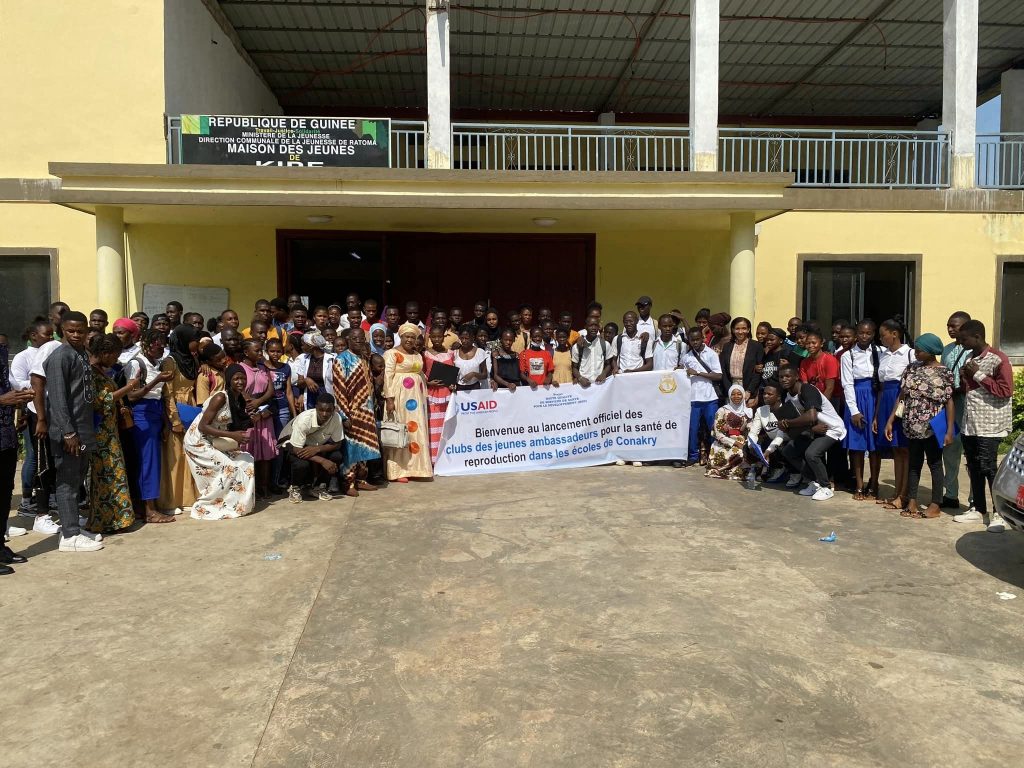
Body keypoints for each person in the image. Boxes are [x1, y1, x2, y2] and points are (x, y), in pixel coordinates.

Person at [42, 312, 103, 551]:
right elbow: (57, 399)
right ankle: (69, 536)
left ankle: (73, 526)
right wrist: (68, 432)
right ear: (62, 331)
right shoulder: (60, 357)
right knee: (67, 480)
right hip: (68, 432)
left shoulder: (80, 354)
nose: (76, 335)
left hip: (83, 428)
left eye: (80, 331)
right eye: (71, 331)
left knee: (77, 478)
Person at [883, 333, 954, 520]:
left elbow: (949, 402)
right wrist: (891, 420)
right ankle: (912, 500)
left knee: (935, 464)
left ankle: (935, 504)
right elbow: (901, 396)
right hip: (911, 424)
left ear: (931, 352)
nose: (915, 353)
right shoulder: (911, 369)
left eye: (920, 350)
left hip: (932, 427)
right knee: (914, 464)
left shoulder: (944, 372)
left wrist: (949, 430)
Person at [954, 320, 1014, 531]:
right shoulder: (971, 358)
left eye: (964, 339)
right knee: (974, 467)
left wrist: (978, 374)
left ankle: (999, 514)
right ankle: (979, 509)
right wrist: (965, 378)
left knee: (989, 467)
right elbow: (971, 391)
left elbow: (1005, 391)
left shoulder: (998, 359)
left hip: (991, 424)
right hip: (971, 423)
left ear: (977, 337)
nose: (960, 343)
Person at [185, 364, 256, 519]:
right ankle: (208, 505)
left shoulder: (238, 399)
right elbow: (203, 427)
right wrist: (232, 435)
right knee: (230, 468)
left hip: (217, 439)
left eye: (243, 378)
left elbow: (237, 422)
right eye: (236, 378)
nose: (240, 382)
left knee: (246, 460)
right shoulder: (220, 397)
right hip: (199, 441)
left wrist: (252, 419)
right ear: (229, 380)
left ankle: (237, 504)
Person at [86, 334, 138, 534]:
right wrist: (129, 388)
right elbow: (100, 400)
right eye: (114, 355)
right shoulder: (91, 373)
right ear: (105, 353)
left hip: (110, 430)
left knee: (111, 474)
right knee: (107, 475)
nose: (116, 360)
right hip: (101, 433)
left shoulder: (100, 371)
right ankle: (107, 521)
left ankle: (115, 519)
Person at [124, 330, 174, 523]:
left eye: (163, 344)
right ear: (146, 344)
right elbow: (131, 395)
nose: (161, 347)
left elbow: (158, 396)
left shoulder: (156, 363)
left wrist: (164, 422)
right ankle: (149, 510)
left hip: (154, 412)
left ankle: (144, 507)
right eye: (157, 344)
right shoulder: (137, 364)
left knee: (151, 462)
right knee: (147, 462)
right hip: (141, 414)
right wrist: (157, 380)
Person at [777, 364, 846, 501]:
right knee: (789, 451)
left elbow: (811, 417)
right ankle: (815, 482)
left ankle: (826, 487)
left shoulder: (807, 390)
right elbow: (793, 420)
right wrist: (783, 424)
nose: (784, 379)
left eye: (788, 376)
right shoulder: (787, 396)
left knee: (812, 454)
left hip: (831, 428)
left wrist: (788, 423)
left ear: (797, 377)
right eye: (781, 377)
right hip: (813, 429)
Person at [10, 318, 53, 516]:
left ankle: (47, 494)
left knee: (48, 456)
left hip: (50, 409)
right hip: (33, 410)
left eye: (53, 335)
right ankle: (27, 499)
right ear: (34, 336)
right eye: (47, 335)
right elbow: (18, 383)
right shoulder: (22, 357)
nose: (51, 338)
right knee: (34, 456)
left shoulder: (52, 351)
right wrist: (38, 383)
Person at [332, 328, 383, 493]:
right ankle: (348, 482)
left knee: (365, 445)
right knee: (352, 447)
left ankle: (361, 478)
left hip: (366, 411)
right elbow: (339, 390)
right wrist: (344, 415)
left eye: (361, 339)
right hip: (351, 411)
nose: (359, 341)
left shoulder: (364, 358)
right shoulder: (341, 359)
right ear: (348, 340)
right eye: (355, 339)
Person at [382, 323, 433, 482]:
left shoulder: (418, 355)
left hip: (417, 399)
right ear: (401, 337)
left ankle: (417, 468)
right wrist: (390, 399)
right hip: (400, 397)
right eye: (407, 337)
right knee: (401, 431)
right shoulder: (391, 353)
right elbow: (387, 377)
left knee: (416, 430)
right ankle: (399, 471)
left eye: (413, 337)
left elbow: (421, 374)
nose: (410, 340)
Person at [873, 318, 914, 511]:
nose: (881, 339)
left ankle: (903, 495)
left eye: (883, 335)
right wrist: (876, 415)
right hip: (885, 400)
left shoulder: (909, 354)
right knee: (895, 449)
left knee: (904, 449)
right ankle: (896, 492)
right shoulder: (883, 355)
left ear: (894, 334)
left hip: (901, 401)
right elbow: (881, 387)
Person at [1, 334, 34, 570]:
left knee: (4, 494)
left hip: (6, 436)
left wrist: (20, 402)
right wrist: (2, 400)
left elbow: (9, 388)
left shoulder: (3, 360)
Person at [159, 325, 199, 515]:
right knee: (173, 456)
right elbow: (168, 393)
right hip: (175, 409)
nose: (196, 342)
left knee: (188, 454)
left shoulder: (192, 360)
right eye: (193, 339)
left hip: (191, 409)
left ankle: (188, 497)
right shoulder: (170, 362)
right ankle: (170, 500)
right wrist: (174, 420)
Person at [840, 320, 882, 500]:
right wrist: (854, 410)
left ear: (874, 334)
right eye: (862, 333)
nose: (865, 337)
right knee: (856, 446)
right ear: (856, 334)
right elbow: (847, 384)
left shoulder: (880, 352)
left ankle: (874, 484)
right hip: (855, 398)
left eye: (869, 333)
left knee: (874, 446)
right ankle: (859, 484)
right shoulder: (847, 356)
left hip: (875, 397)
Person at [281, 391, 346, 501]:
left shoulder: (336, 418)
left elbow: (337, 443)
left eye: (328, 410)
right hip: (294, 445)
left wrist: (317, 449)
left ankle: (319, 487)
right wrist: (322, 461)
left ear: (334, 409)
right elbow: (297, 449)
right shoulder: (305, 420)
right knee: (302, 464)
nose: (324, 414)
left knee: (336, 456)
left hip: (316, 445)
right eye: (321, 410)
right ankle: (295, 487)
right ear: (316, 408)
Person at [940, 311, 972, 510]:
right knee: (950, 449)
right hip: (951, 405)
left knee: (971, 453)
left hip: (970, 405)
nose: (950, 329)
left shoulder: (974, 351)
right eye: (948, 326)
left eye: (955, 326)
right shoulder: (946, 349)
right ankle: (951, 494)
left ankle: (974, 499)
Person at [239, 339, 278, 498]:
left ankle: (264, 486)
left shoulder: (264, 368)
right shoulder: (239, 368)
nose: (260, 353)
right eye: (257, 350)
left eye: (261, 350)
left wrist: (259, 403)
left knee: (265, 453)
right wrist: (250, 403)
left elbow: (270, 391)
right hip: (248, 413)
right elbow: (239, 388)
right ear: (246, 352)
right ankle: (249, 488)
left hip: (263, 412)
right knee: (248, 452)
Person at [682, 327, 723, 466]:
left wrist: (698, 373)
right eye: (692, 340)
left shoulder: (711, 354)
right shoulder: (686, 357)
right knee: (693, 429)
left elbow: (718, 375)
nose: (695, 342)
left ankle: (713, 455)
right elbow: (682, 372)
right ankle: (693, 456)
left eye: (697, 339)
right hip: (693, 398)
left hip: (710, 397)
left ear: (703, 338)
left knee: (712, 427)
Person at [265, 338, 295, 490]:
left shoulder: (286, 368)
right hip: (266, 410)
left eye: (278, 351)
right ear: (267, 351)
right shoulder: (262, 367)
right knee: (266, 444)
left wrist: (294, 413)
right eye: (272, 351)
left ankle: (276, 480)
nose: (275, 354)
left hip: (282, 409)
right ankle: (264, 481)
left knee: (279, 445)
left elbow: (289, 392)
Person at [424, 325, 457, 463]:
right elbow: (421, 372)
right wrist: (428, 382)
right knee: (434, 427)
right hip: (432, 394)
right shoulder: (425, 354)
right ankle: (433, 460)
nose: (437, 339)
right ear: (430, 338)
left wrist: (453, 383)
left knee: (447, 426)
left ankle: (447, 460)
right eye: (434, 337)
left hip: (447, 394)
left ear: (443, 337)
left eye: (439, 336)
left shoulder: (451, 353)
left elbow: (454, 371)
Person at [746, 380, 788, 483]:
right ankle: (771, 468)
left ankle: (788, 470)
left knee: (780, 448)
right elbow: (754, 431)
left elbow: (780, 436)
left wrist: (769, 451)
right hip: (771, 441)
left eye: (769, 394)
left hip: (785, 441)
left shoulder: (785, 409)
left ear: (778, 397)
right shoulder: (761, 410)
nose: (765, 396)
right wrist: (751, 444)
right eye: (764, 393)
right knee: (750, 446)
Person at [706, 385, 752, 480]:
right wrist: (734, 443)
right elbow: (717, 433)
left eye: (739, 394)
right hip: (724, 441)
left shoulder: (747, 411)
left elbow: (750, 429)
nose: (736, 396)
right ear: (729, 396)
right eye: (733, 394)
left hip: (742, 439)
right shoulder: (722, 410)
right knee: (736, 452)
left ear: (743, 395)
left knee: (747, 453)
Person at [719, 316, 763, 409]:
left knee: (747, 418)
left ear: (748, 330)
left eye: (744, 328)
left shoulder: (756, 346)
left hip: (749, 388)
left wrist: (750, 391)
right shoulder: (727, 346)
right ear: (733, 330)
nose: (740, 332)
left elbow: (758, 371)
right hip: (731, 387)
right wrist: (729, 390)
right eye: (737, 328)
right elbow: (723, 369)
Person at [572, 317, 613, 387]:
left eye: (596, 325)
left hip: (600, 385)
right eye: (591, 325)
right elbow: (574, 367)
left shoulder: (605, 345)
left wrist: (603, 374)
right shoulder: (577, 346)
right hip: (582, 385)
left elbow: (608, 364)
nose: (594, 328)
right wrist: (580, 378)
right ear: (586, 327)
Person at [454, 325, 488, 391]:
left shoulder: (480, 352)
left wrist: (473, 374)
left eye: (467, 338)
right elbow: (452, 374)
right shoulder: (455, 353)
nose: (464, 341)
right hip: (459, 389)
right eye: (462, 338)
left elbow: (485, 375)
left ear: (473, 338)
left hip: (475, 388)